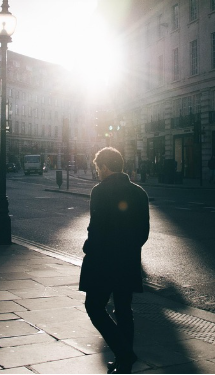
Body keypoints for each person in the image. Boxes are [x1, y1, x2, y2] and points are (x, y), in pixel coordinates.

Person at [79, 147, 150, 374]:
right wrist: (129, 249)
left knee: (94, 307)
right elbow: (144, 232)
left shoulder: (100, 191)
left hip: (102, 262)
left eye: (98, 168)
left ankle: (125, 353)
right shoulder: (139, 192)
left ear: (106, 167)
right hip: (128, 261)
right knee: (123, 310)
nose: (97, 172)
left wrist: (88, 248)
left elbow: (96, 228)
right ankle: (124, 362)